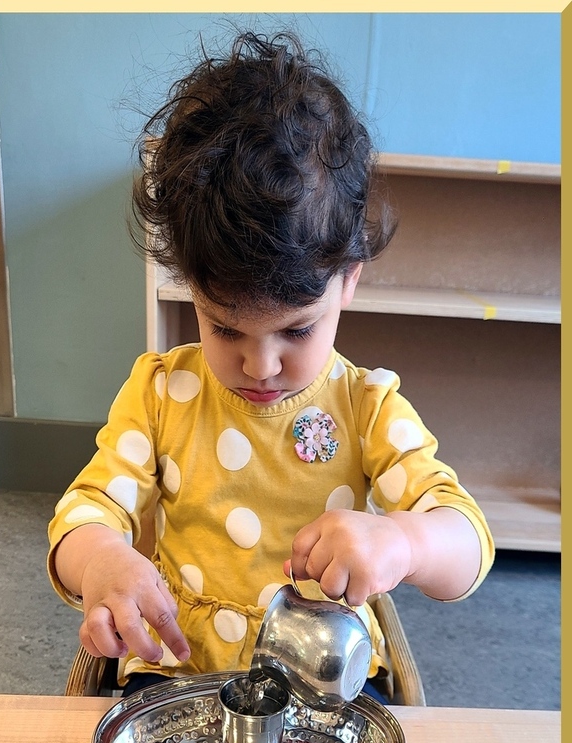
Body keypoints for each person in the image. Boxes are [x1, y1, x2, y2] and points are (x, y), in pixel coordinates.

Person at [47, 31, 494, 701]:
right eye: (223, 326)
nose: (260, 364)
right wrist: (103, 558)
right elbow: (81, 516)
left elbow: (466, 542)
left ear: (348, 281)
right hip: (178, 676)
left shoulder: (365, 406)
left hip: (324, 681)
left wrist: (402, 541)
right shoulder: (161, 392)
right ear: (189, 285)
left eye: (296, 330)